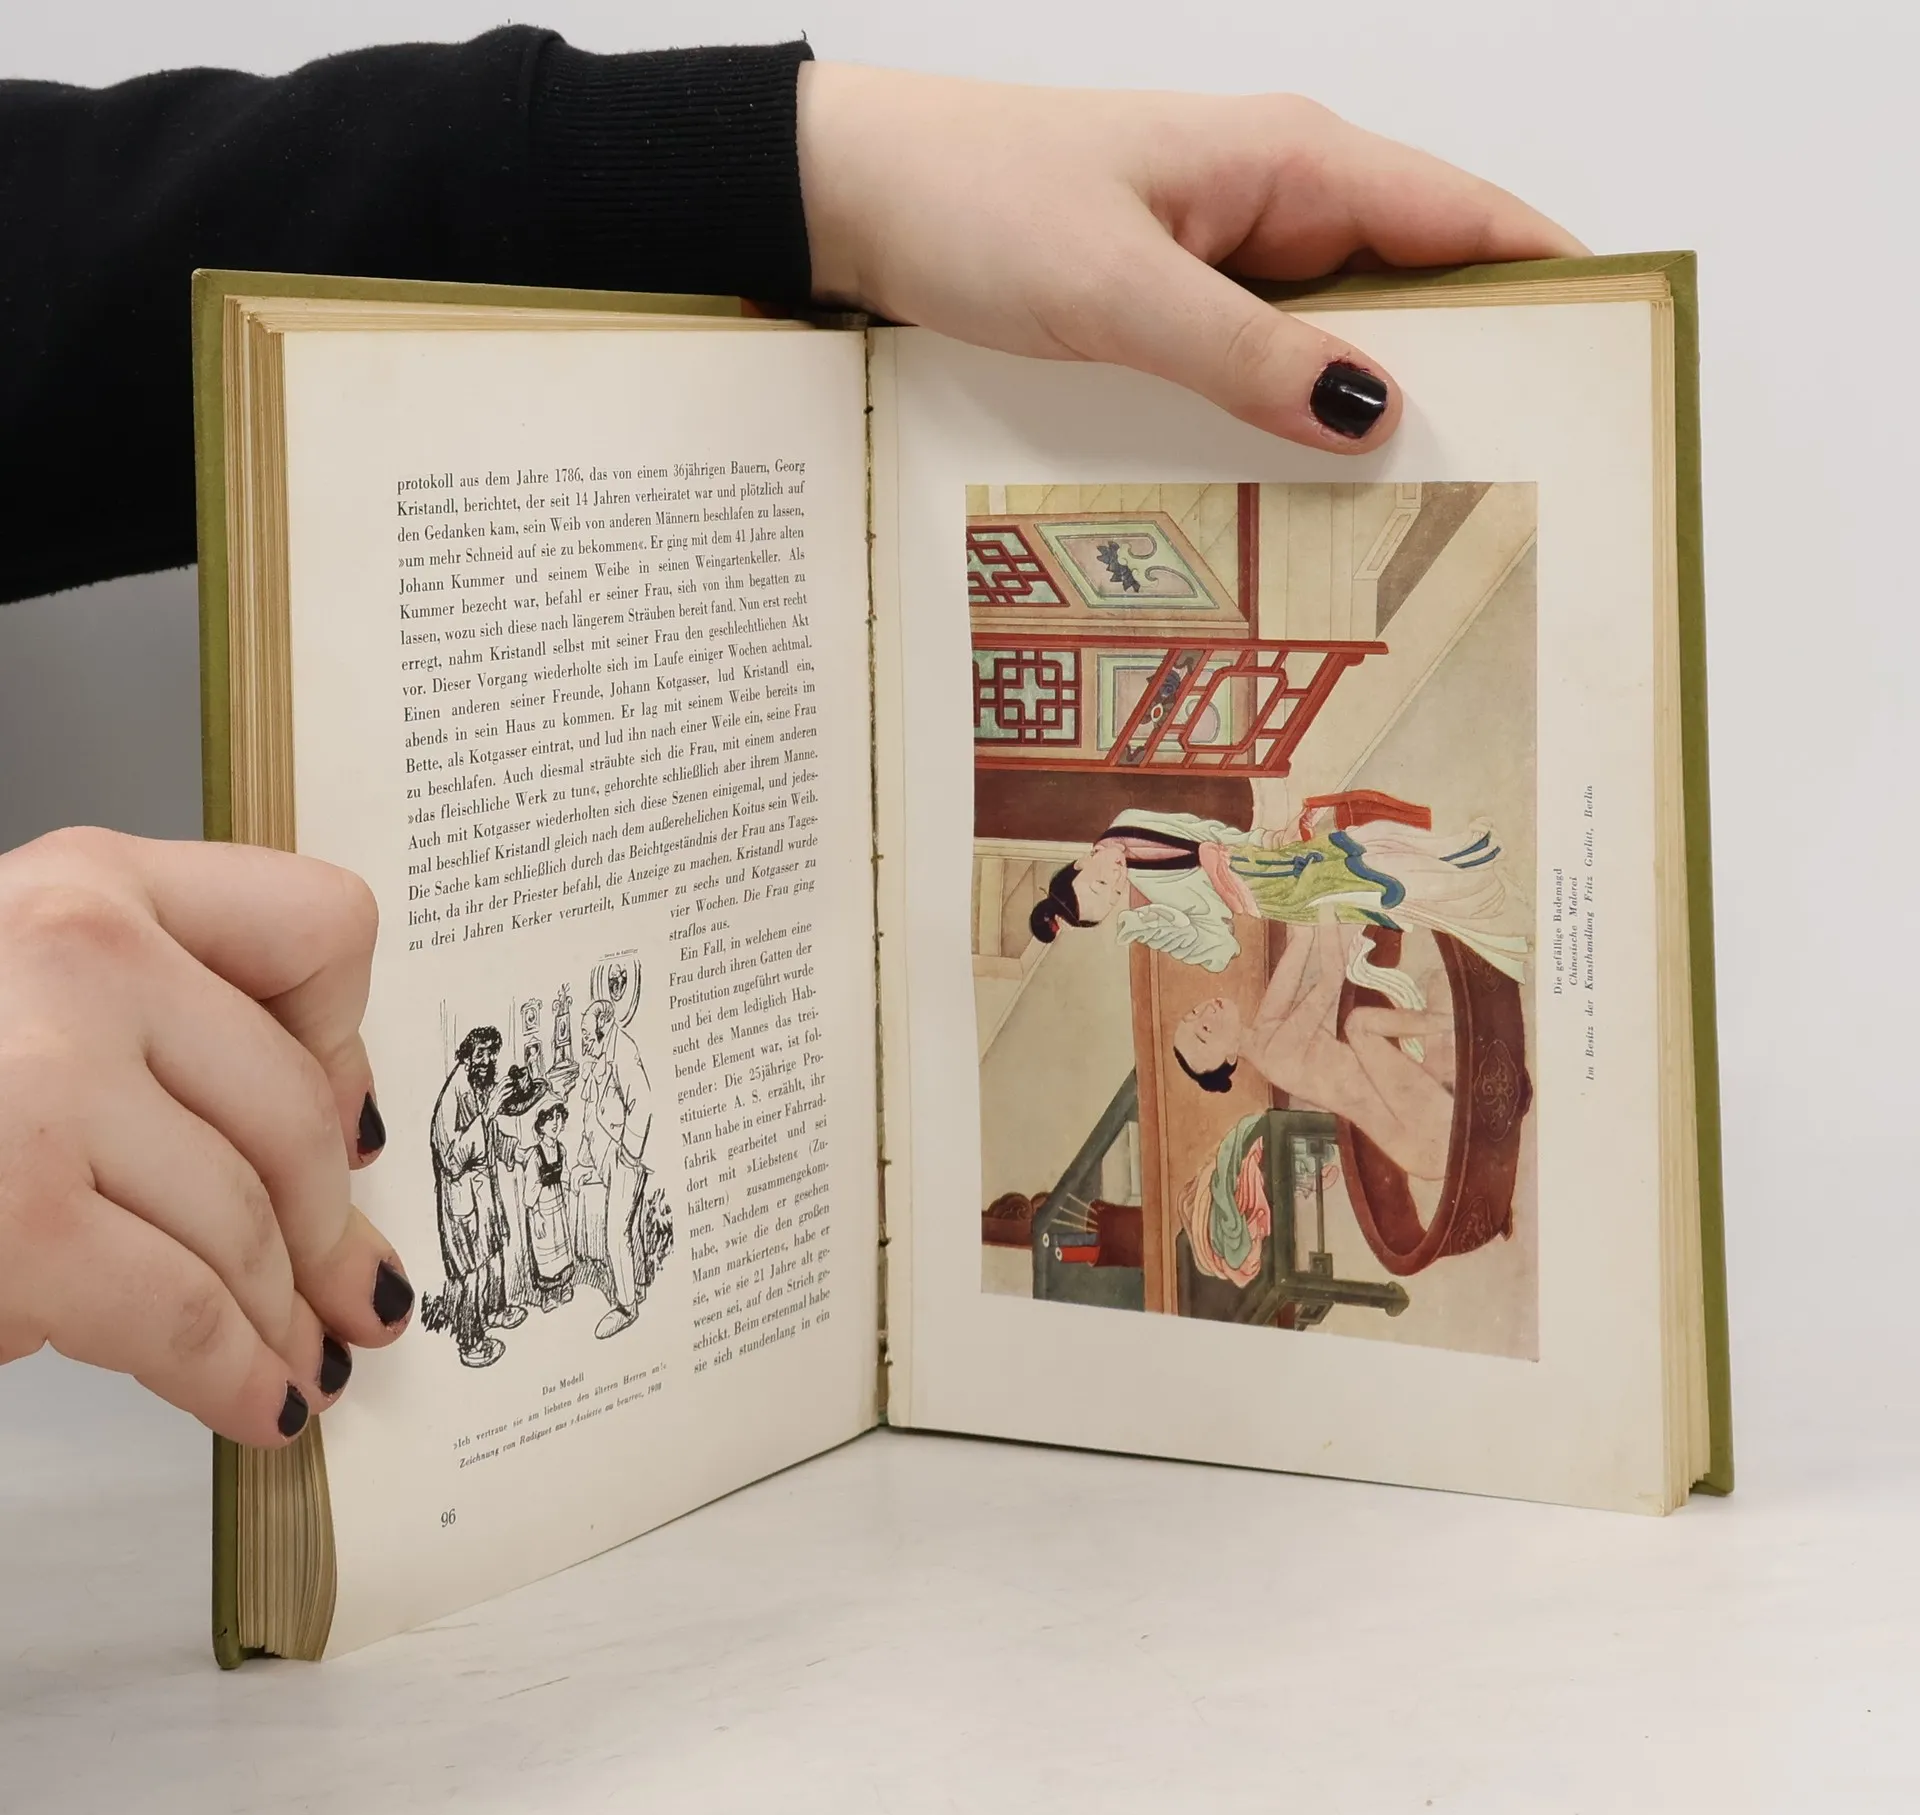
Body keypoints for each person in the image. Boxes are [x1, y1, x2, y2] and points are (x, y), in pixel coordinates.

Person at [0, 31, 1583, 1448]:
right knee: (1277, 1030)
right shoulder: (1174, 888)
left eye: (1096, 888)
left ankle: (1433, 1111)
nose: (1102, 888)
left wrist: (807, 168)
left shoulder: (1177, 883)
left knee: (1287, 1017)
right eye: (1099, 887)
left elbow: (69, 262)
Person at [1030, 805, 1530, 992]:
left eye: (1100, 884)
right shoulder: (1155, 895)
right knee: (1380, 877)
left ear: (1081, 862)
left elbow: (1203, 831)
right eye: (1114, 896)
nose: (1118, 884)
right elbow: (1220, 950)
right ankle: (1482, 899)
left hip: (1266, 857)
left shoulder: (1126, 822)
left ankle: (1467, 852)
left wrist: (1268, 838)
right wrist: (1158, 926)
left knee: (1369, 838)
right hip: (1273, 891)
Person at [1172, 911, 1458, 1183]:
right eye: (1205, 1030)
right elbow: (1332, 978)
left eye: (1194, 1012)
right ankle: (1449, 1023)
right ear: (1229, 1057)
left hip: (1417, 1111)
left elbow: (1303, 938)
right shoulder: (1274, 1054)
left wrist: (1305, 898)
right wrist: (1326, 906)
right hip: (1423, 1136)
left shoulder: (1263, 1028)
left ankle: (1448, 1024)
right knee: (1358, 1026)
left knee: (1439, 984)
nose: (1207, 1012)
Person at [428, 1026, 529, 1369]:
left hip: (485, 1195)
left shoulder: (478, 1087)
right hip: (463, 1202)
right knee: (470, 1269)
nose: (486, 1060)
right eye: (480, 1053)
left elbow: (491, 1134)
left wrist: (515, 1151)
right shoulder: (452, 1094)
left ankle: (496, 1309)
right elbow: (451, 1158)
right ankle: (471, 1342)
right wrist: (487, 1115)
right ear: (466, 1056)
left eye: (491, 1053)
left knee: (495, 1250)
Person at [577, 1000, 655, 1341]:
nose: (583, 1040)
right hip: (610, 1155)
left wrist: (629, 1152)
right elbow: (592, 1111)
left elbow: (643, 1102)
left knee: (615, 1234)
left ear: (604, 1025)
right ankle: (637, 1285)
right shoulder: (601, 1054)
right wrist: (585, 1160)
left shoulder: (624, 1050)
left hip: (624, 1156)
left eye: (586, 1033)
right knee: (628, 1227)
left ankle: (626, 1307)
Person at [524, 1102, 576, 1311]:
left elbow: (565, 1176)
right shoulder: (535, 1155)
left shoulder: (561, 1149)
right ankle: (547, 1295)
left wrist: (569, 1191)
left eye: (559, 1117)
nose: (555, 1123)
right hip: (542, 1209)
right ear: (540, 1124)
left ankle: (565, 1285)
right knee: (544, 1251)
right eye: (550, 1118)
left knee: (561, 1247)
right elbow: (531, 1187)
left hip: (558, 1205)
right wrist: (535, 1214)